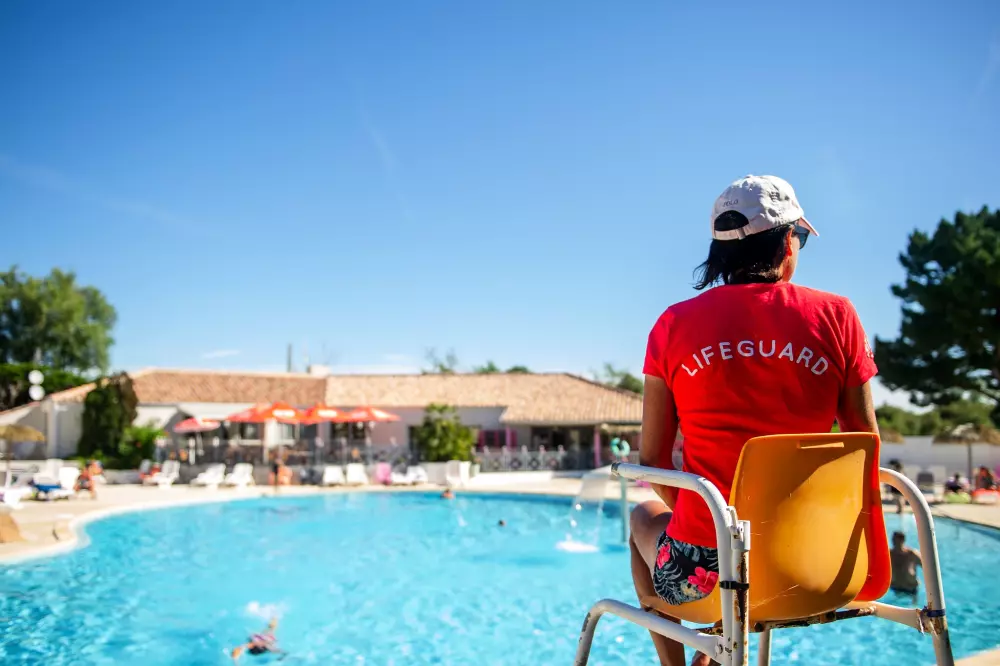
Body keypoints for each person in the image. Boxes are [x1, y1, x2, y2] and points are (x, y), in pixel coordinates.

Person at [631, 175, 879, 666]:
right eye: (800, 236)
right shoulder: (837, 315)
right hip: (819, 568)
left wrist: (710, 521)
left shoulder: (672, 324)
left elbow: (652, 458)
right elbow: (864, 441)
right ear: (787, 243)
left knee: (642, 514)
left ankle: (681, 661)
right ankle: (720, 640)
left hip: (707, 578)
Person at [889, 531, 922, 596]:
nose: (894, 542)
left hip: (911, 588)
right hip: (895, 588)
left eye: (895, 540)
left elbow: (927, 568)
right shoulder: (889, 554)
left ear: (902, 540)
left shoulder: (912, 554)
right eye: (893, 540)